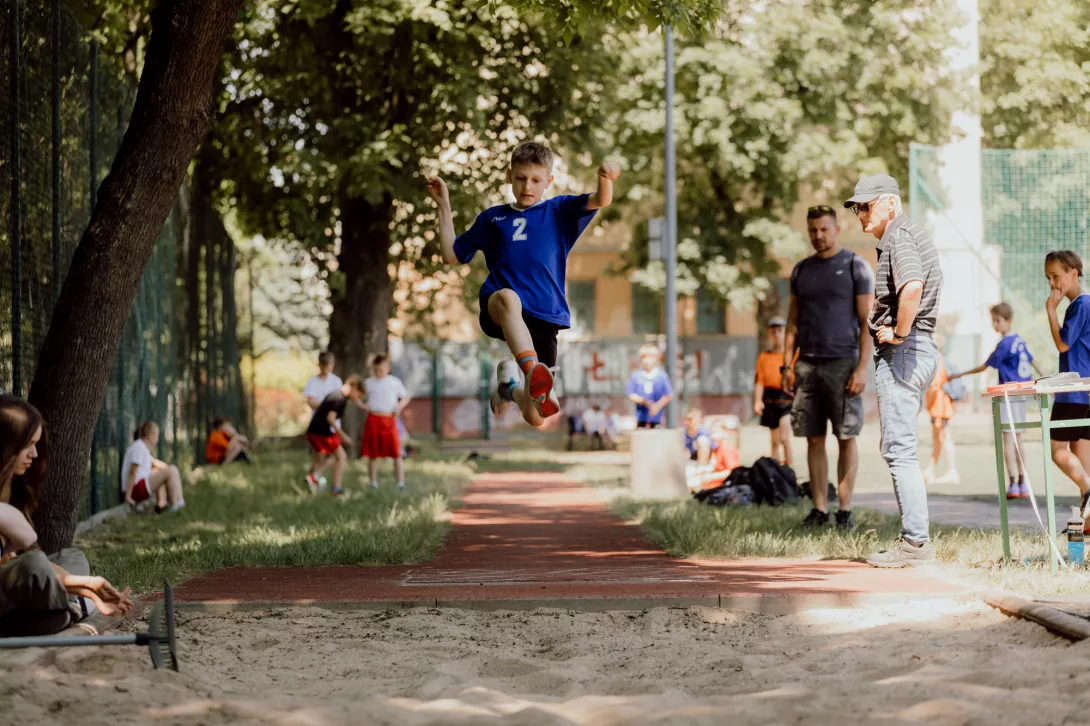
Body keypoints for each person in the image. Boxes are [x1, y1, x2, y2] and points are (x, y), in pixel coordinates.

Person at [428, 141, 620, 427]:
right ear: (509, 175)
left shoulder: (559, 212)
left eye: (535, 180)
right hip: (500, 309)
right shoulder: (493, 219)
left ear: (548, 182)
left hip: (545, 316)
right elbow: (450, 254)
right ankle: (531, 371)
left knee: (536, 416)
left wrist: (605, 179)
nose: (527, 186)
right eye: (520, 178)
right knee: (508, 297)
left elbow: (600, 200)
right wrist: (443, 204)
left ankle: (509, 387)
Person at [844, 174, 942, 567]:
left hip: (905, 349)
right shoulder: (908, 235)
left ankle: (915, 545)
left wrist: (900, 334)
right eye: (856, 208)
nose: (859, 215)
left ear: (889, 202)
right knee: (903, 449)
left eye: (865, 206)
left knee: (899, 450)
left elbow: (913, 287)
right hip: (919, 347)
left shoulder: (900, 236)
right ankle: (915, 541)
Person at [0, 396, 133, 636]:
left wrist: (88, 585)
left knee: (71, 557)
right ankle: (70, 610)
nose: (33, 454)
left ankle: (63, 610)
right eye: (28, 444)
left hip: (16, 592)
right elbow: (23, 565)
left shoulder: (9, 490)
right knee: (34, 565)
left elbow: (14, 559)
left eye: (36, 444)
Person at [782, 204, 874, 530]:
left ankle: (844, 510)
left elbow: (867, 323)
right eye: (813, 230)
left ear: (836, 229)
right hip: (807, 365)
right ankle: (819, 510)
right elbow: (792, 322)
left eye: (824, 229)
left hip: (844, 363)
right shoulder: (801, 270)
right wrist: (786, 365)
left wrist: (862, 368)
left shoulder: (855, 266)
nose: (818, 236)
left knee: (846, 437)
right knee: (813, 438)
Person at [947, 302, 1044, 498]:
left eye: (998, 321)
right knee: (1018, 439)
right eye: (993, 321)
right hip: (1022, 395)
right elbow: (1034, 361)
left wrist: (957, 375)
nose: (995, 325)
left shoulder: (1004, 344)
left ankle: (1013, 484)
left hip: (1008, 395)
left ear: (1008, 321)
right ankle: (1023, 482)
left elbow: (984, 367)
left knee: (1008, 440)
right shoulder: (1019, 340)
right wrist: (1045, 379)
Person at [1043, 250, 1090, 516]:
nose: (1052, 283)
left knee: (1058, 450)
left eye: (1056, 276)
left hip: (1073, 392)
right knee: (1082, 458)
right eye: (1048, 277)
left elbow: (1063, 343)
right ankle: (1086, 525)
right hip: (1086, 391)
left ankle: (1088, 490)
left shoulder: (1081, 305)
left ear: (1073, 273)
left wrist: (1051, 309)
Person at [305, 375, 365, 496]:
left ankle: (314, 478)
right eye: (358, 395)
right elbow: (331, 419)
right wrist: (343, 436)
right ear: (353, 387)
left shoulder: (336, 394)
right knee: (341, 456)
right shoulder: (340, 399)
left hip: (315, 430)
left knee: (333, 457)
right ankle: (334, 488)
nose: (356, 398)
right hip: (321, 431)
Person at [361, 355, 410, 490]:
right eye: (376, 370)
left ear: (387, 368)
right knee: (373, 454)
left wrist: (399, 407)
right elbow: (356, 396)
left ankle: (400, 483)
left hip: (389, 419)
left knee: (396, 452)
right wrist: (363, 406)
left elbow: (405, 397)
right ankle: (373, 483)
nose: (378, 373)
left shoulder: (394, 382)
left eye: (381, 370)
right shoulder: (369, 383)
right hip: (374, 419)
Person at [753, 317, 794, 469]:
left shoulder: (791, 357)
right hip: (770, 399)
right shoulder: (764, 357)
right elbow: (760, 381)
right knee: (775, 440)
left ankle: (789, 470)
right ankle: (776, 471)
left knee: (785, 438)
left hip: (786, 399)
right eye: (774, 332)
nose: (777, 335)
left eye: (780, 331)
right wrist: (758, 401)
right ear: (770, 335)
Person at [122, 421, 185, 513]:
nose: (157, 439)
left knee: (164, 470)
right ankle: (176, 505)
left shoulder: (143, 448)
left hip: (138, 488)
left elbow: (157, 464)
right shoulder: (138, 447)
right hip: (134, 490)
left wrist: (170, 472)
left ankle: (164, 504)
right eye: (157, 436)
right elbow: (132, 472)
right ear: (151, 435)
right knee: (171, 470)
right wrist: (128, 497)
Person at [303, 351, 343, 485]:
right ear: (319, 364)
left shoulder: (336, 382)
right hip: (319, 425)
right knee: (318, 456)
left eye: (329, 364)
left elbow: (337, 403)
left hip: (332, 425)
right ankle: (312, 480)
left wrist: (323, 405)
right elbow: (310, 401)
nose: (326, 367)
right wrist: (326, 406)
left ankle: (314, 476)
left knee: (335, 455)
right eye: (323, 364)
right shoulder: (313, 382)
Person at [924, 355, 958, 485]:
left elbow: (934, 384)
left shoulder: (936, 360)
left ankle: (951, 471)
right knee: (939, 439)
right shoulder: (937, 359)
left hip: (940, 407)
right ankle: (931, 469)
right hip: (937, 407)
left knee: (943, 438)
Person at [627, 344, 673, 429]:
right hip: (641, 417)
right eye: (644, 356)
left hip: (656, 419)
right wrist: (644, 402)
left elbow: (668, 395)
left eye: (651, 356)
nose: (647, 360)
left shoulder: (661, 375)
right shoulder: (636, 375)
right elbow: (631, 394)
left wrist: (657, 406)